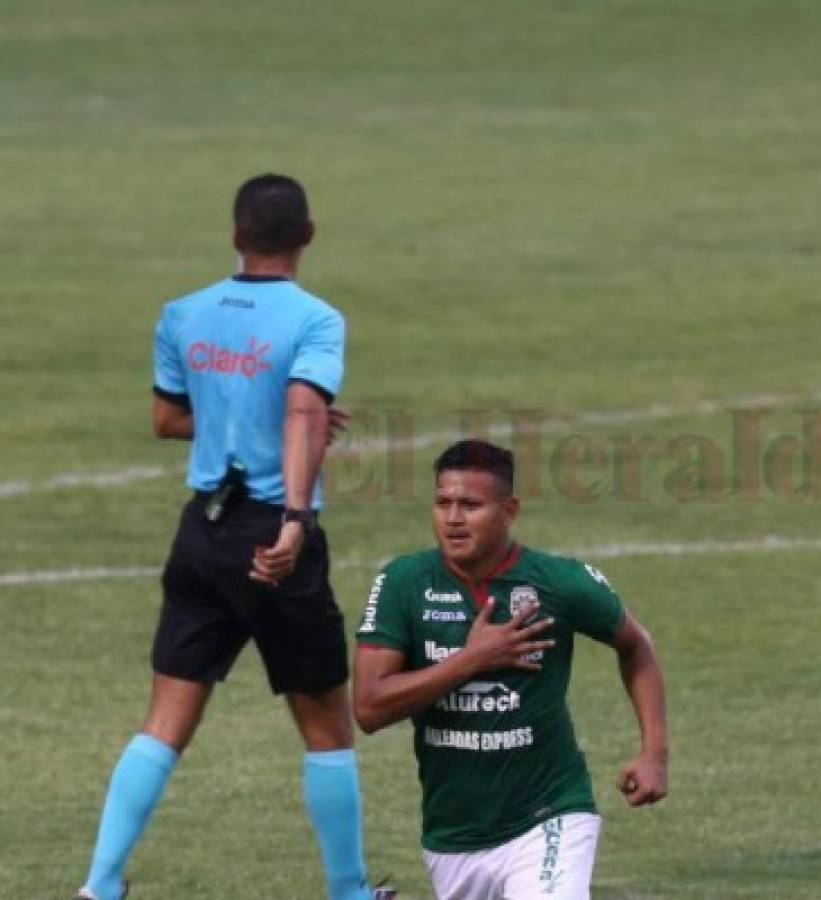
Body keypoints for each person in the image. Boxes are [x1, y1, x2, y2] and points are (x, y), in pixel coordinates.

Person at [75, 174, 392, 899]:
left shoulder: (182, 314)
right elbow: (304, 414)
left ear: (234, 236)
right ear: (306, 236)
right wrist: (293, 522)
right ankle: (349, 893)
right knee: (325, 728)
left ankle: (99, 886)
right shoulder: (316, 320)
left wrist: (245, 423)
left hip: (201, 533)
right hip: (272, 536)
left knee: (164, 722)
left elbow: (168, 420)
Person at [353, 440, 669, 899]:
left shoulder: (556, 583)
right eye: (443, 503)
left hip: (550, 812)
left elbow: (636, 646)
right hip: (453, 835)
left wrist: (654, 754)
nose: (453, 518)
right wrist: (472, 659)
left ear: (509, 509)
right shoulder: (404, 583)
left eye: (470, 505)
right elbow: (368, 707)